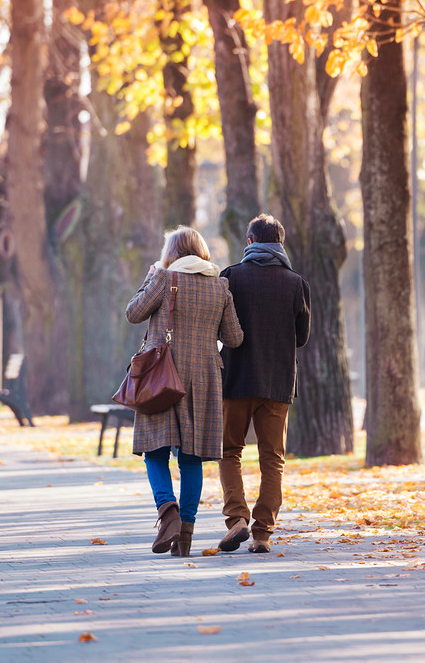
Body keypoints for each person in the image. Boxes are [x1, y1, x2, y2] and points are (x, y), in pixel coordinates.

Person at [125, 226, 243, 558]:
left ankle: (168, 513)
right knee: (191, 458)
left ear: (171, 253)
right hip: (205, 378)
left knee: (155, 451)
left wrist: (151, 277)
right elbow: (234, 338)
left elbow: (133, 313)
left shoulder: (164, 278)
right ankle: (185, 536)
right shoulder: (220, 286)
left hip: (162, 376)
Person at [217, 214, 311, 554]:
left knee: (229, 452)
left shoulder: (230, 277)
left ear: (251, 242)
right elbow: (301, 338)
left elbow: (219, 327)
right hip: (278, 383)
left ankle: (236, 519)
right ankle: (262, 533)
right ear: (280, 244)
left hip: (236, 379)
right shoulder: (296, 283)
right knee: (272, 459)